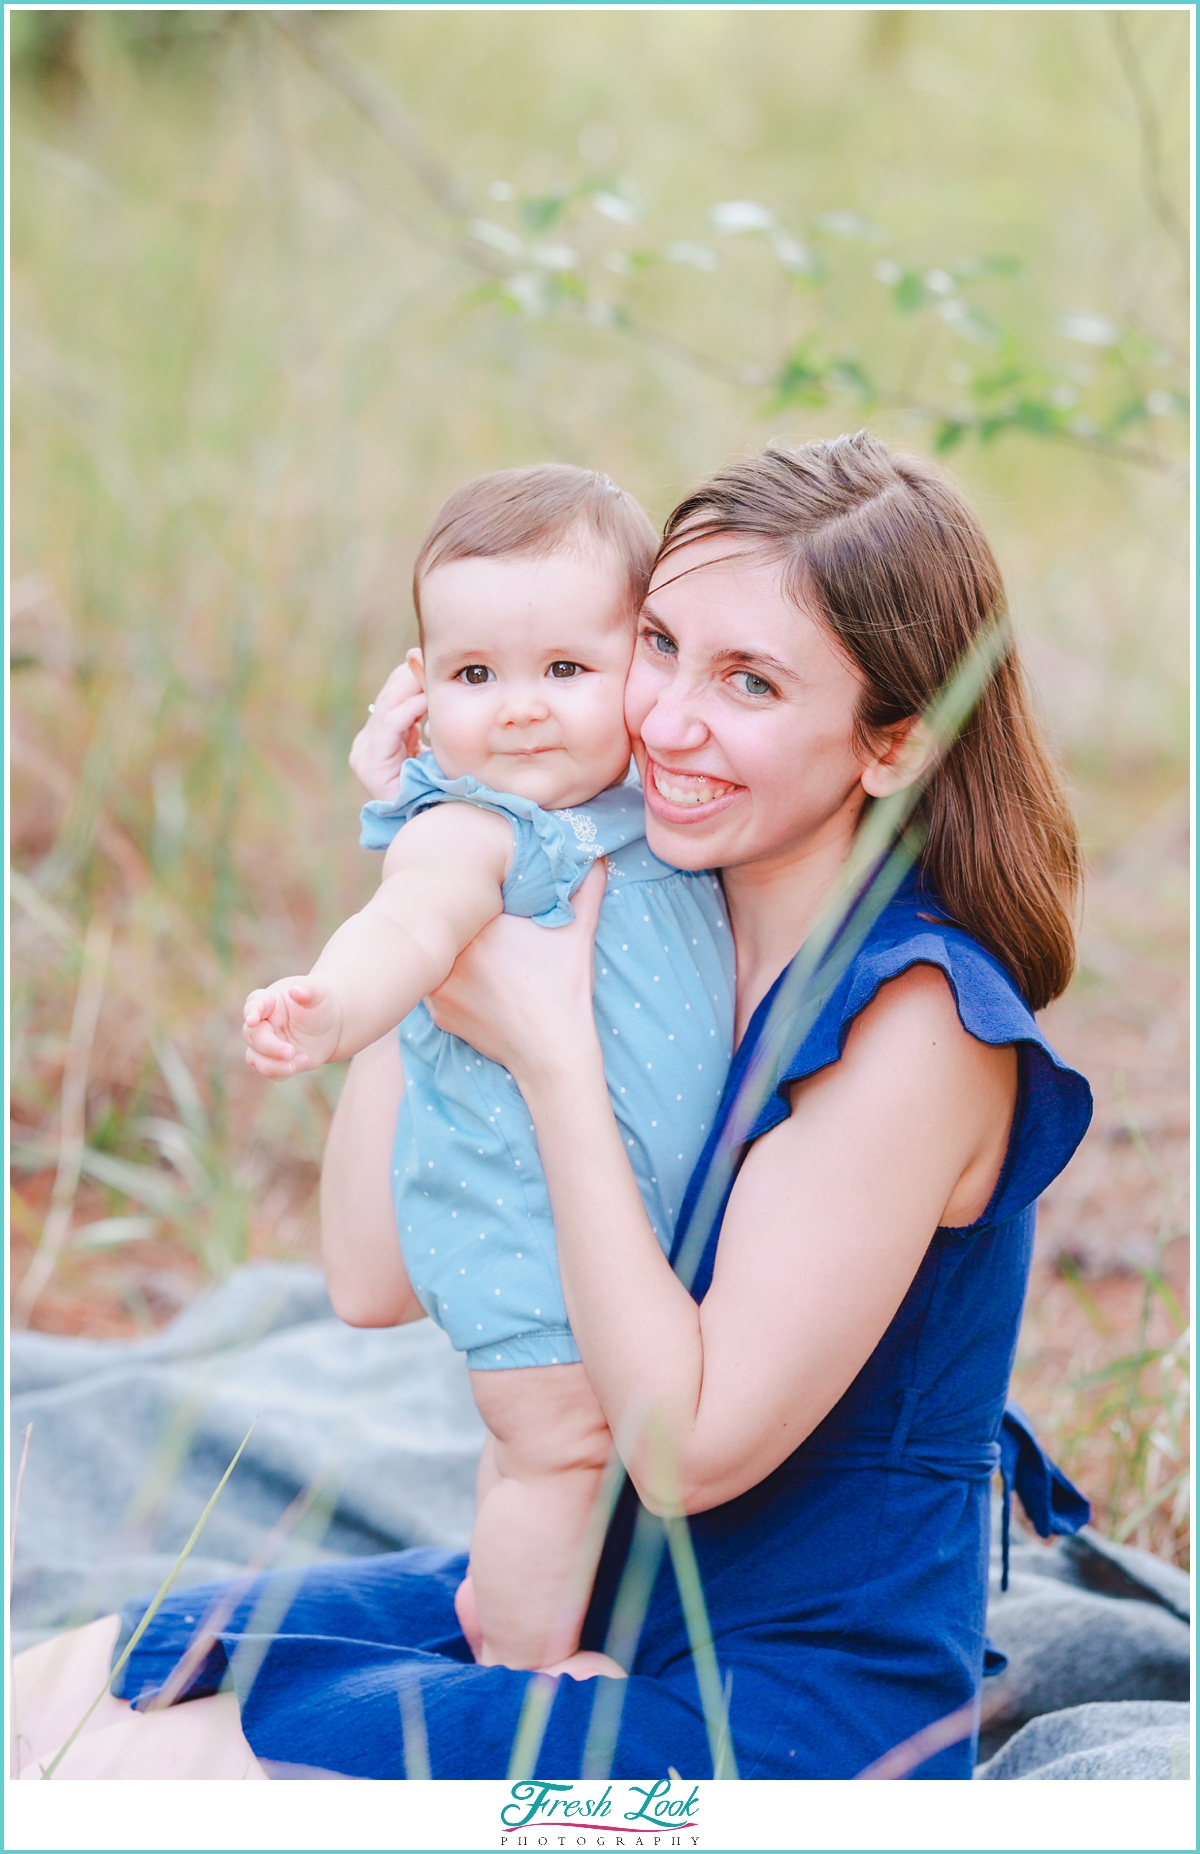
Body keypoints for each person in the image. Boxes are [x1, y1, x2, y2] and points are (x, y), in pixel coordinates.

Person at [14, 433, 1091, 1781]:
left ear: (892, 742)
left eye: (748, 681)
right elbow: (371, 1273)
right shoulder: (658, 907)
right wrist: (441, 869)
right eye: (657, 644)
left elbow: (680, 1452)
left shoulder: (915, 1020)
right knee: (61, 1690)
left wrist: (555, 1060)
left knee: (137, 1774)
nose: (668, 718)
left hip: (783, 1714)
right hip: (601, 1595)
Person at [241, 464, 735, 1676]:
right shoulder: (476, 827)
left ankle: (516, 1600)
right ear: (421, 690)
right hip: (527, 1237)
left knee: (563, 1452)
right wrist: (338, 1005)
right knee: (554, 1452)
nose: (519, 709)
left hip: (609, 1231)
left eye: (567, 670)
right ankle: (520, 1666)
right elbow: (409, 924)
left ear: (643, 664)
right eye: (475, 676)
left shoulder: (642, 813)